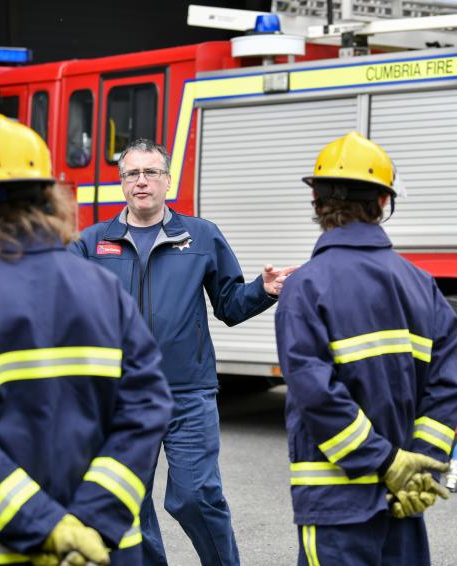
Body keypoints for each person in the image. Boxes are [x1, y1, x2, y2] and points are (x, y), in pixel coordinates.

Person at [0, 116, 173, 566]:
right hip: (101, 550)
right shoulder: (103, 289)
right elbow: (146, 408)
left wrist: (44, 525)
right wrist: (90, 521)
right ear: (51, 196)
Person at [68, 138, 294, 566]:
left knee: (195, 496)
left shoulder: (201, 236)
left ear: (167, 181)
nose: (141, 182)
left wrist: (262, 291)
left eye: (151, 172)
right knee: (127, 502)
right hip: (121, 398)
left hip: (187, 393)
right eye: (132, 174)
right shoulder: (92, 243)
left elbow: (228, 304)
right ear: (121, 184)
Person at [274, 131, 457, 565]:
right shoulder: (422, 286)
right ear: (383, 204)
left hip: (335, 510)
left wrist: (385, 461)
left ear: (318, 205)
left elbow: (315, 394)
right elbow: (449, 384)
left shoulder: (305, 287)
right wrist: (419, 465)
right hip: (404, 502)